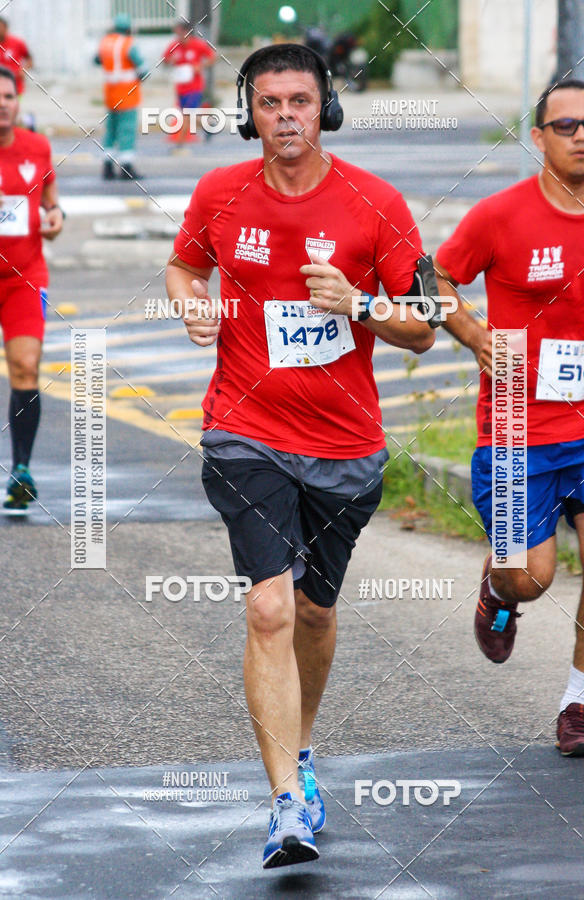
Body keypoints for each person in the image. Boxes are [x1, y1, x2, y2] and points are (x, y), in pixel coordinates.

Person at [166, 43, 435, 868]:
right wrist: (193, 308)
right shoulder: (220, 193)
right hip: (244, 434)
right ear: (250, 110)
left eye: (302, 102)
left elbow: (422, 326)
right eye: (272, 102)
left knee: (315, 614)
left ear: (327, 110)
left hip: (347, 448)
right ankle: (285, 806)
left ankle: (304, 752)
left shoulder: (375, 203)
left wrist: (358, 304)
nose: (287, 116)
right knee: (269, 608)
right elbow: (182, 267)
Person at [434, 79, 584, 756]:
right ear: (538, 139)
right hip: (514, 432)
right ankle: (496, 592)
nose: (582, 136)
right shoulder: (500, 216)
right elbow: (434, 278)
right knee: (529, 576)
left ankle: (580, 705)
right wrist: (475, 334)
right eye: (566, 127)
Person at [0, 66, 63, 513]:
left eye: (8, 96)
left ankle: (21, 470)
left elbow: (50, 204)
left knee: (25, 366)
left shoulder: (37, 147)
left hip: (24, 277)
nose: (2, 103)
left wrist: (57, 218)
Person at [96, 13, 146, 180]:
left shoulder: (105, 43)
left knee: (111, 130)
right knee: (127, 130)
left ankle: (107, 166)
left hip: (110, 94)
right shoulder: (128, 44)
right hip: (127, 94)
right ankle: (126, 167)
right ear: (128, 28)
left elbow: (97, 60)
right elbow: (143, 69)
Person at [162, 17, 216, 147]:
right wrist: (171, 61)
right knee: (187, 114)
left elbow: (212, 57)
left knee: (187, 115)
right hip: (181, 86)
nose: (178, 36)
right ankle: (208, 125)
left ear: (186, 32)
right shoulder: (174, 45)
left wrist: (200, 66)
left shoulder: (197, 45)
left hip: (194, 87)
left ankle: (180, 144)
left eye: (179, 32)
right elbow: (164, 60)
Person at [0, 17, 32, 97]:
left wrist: (23, 70)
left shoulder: (17, 43)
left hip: (15, 87)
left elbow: (29, 60)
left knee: (11, 108)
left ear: (6, 28)